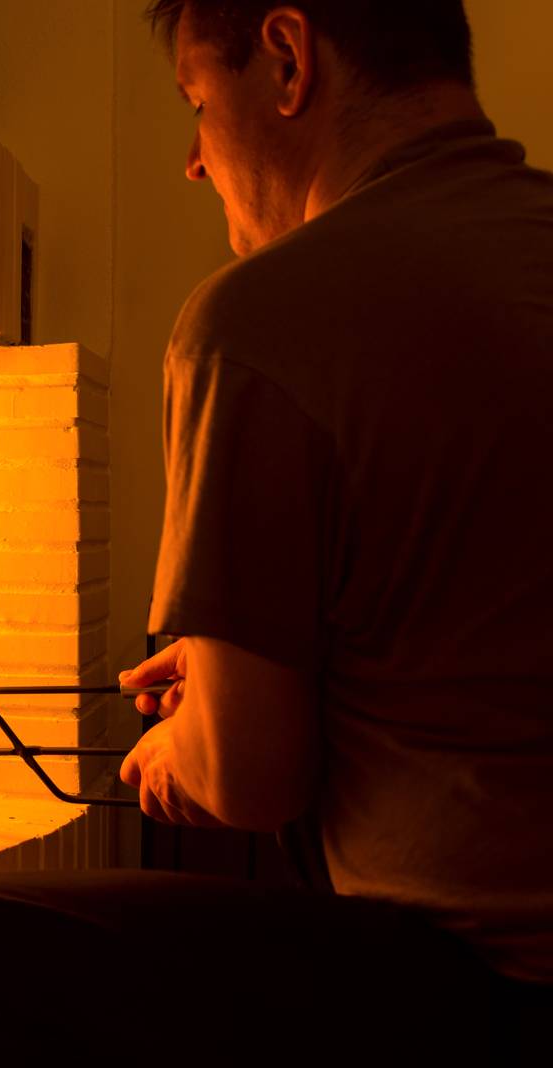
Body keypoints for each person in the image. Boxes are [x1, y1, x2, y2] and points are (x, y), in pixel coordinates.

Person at [117, 0, 553, 1030]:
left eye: (195, 103)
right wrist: (252, 657)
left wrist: (182, 744)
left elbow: (249, 781)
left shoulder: (258, 316)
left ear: (285, 56)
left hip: (469, 989)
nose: (192, 159)